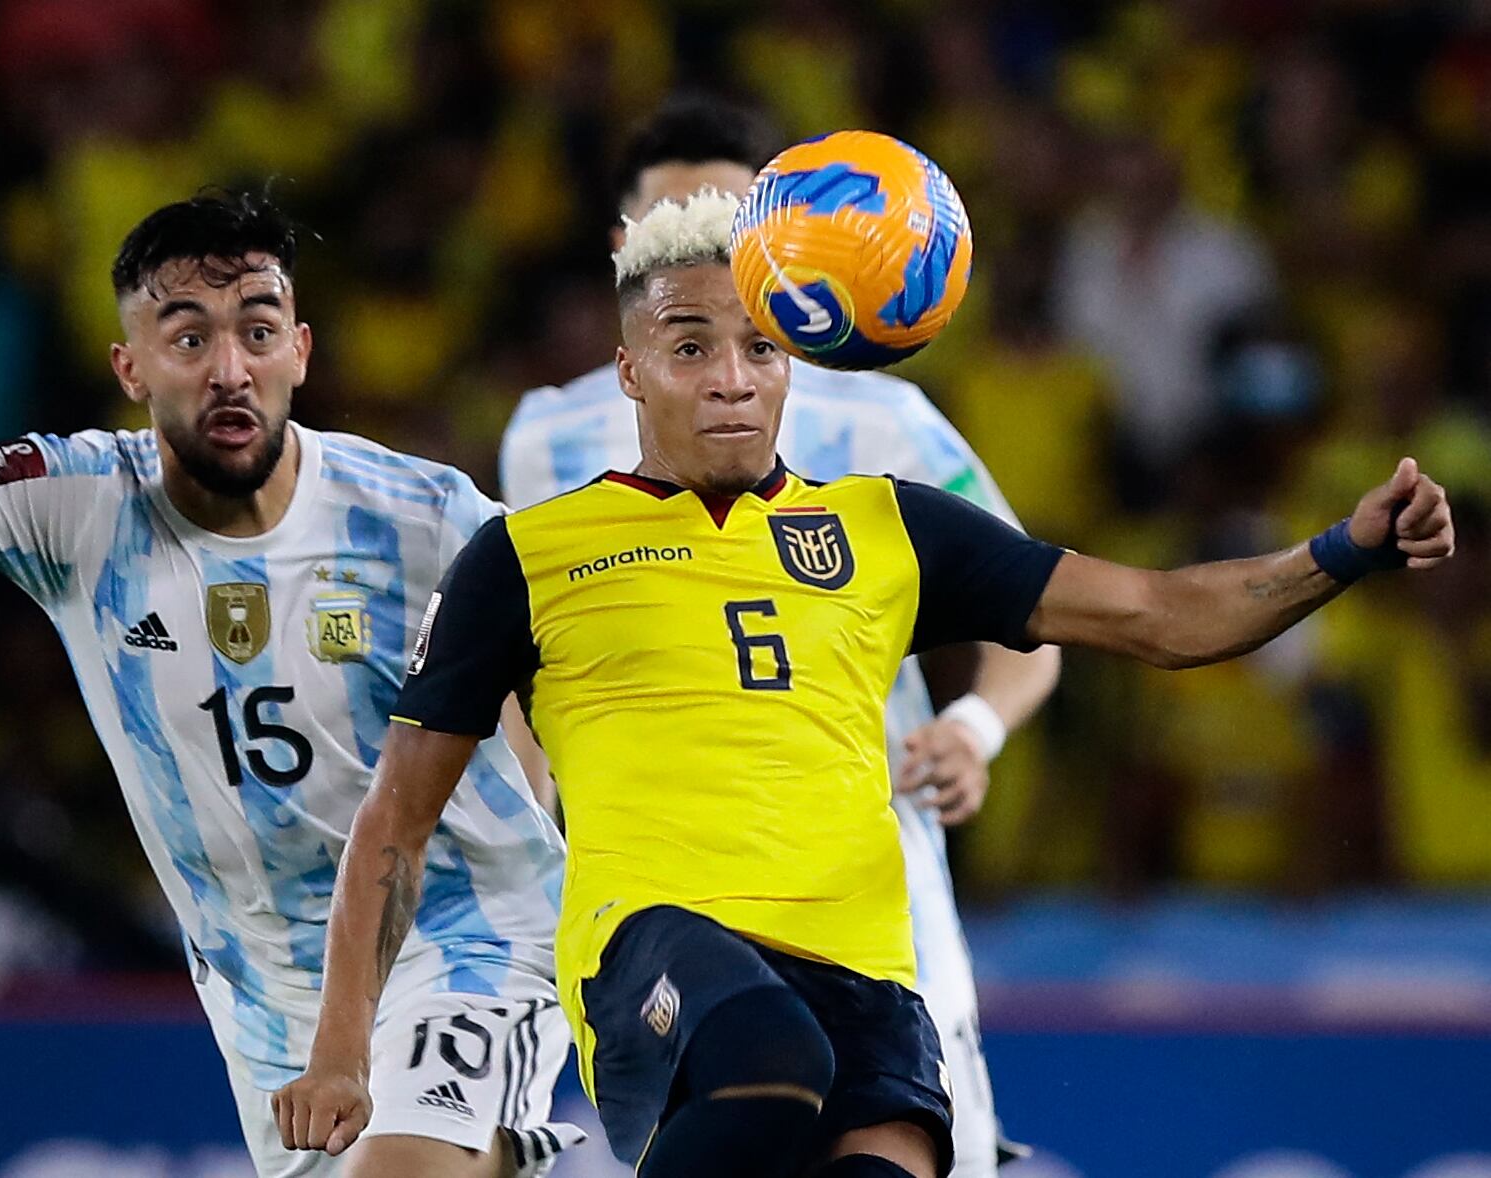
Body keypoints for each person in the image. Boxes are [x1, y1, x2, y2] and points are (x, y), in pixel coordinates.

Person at [278, 191, 1454, 1178]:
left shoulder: (887, 526)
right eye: (692, 347)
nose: (732, 377)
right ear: (630, 370)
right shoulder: (529, 552)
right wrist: (343, 1045)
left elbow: (1154, 614)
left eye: (760, 347)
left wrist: (1340, 552)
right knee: (766, 1049)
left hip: (868, 970)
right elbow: (398, 815)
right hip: (653, 953)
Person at [0, 191, 581, 1178]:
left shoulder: (425, 514)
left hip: (463, 933)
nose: (230, 369)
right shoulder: (76, 506)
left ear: (301, 352)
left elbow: (542, 677)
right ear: (131, 368)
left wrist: (542, 818)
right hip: (263, 990)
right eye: (188, 338)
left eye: (258, 332)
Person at [498, 95, 1058, 1176]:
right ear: (626, 244)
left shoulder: (879, 413)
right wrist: (540, 823)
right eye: (677, 212)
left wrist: (977, 725)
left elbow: (1031, 614)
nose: (708, 232)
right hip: (655, 869)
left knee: (943, 1142)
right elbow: (530, 659)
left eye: (734, 209)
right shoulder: (547, 434)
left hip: (862, 842)